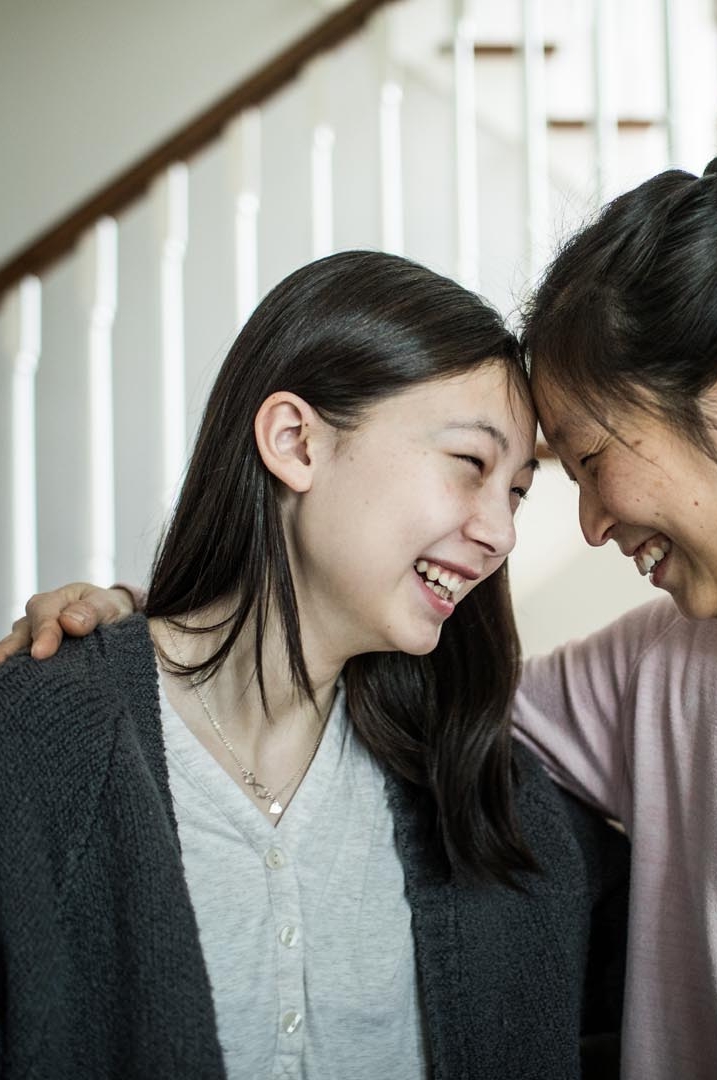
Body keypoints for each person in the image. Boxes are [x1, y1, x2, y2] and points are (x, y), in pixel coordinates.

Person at [7, 140, 717, 1079]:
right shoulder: (651, 672)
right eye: (527, 477)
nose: (583, 526)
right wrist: (136, 631)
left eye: (581, 465)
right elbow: (291, 668)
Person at [0, 250, 629, 1079]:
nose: (502, 533)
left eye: (516, 491)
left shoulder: (486, 787)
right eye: (469, 465)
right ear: (296, 442)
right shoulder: (39, 743)